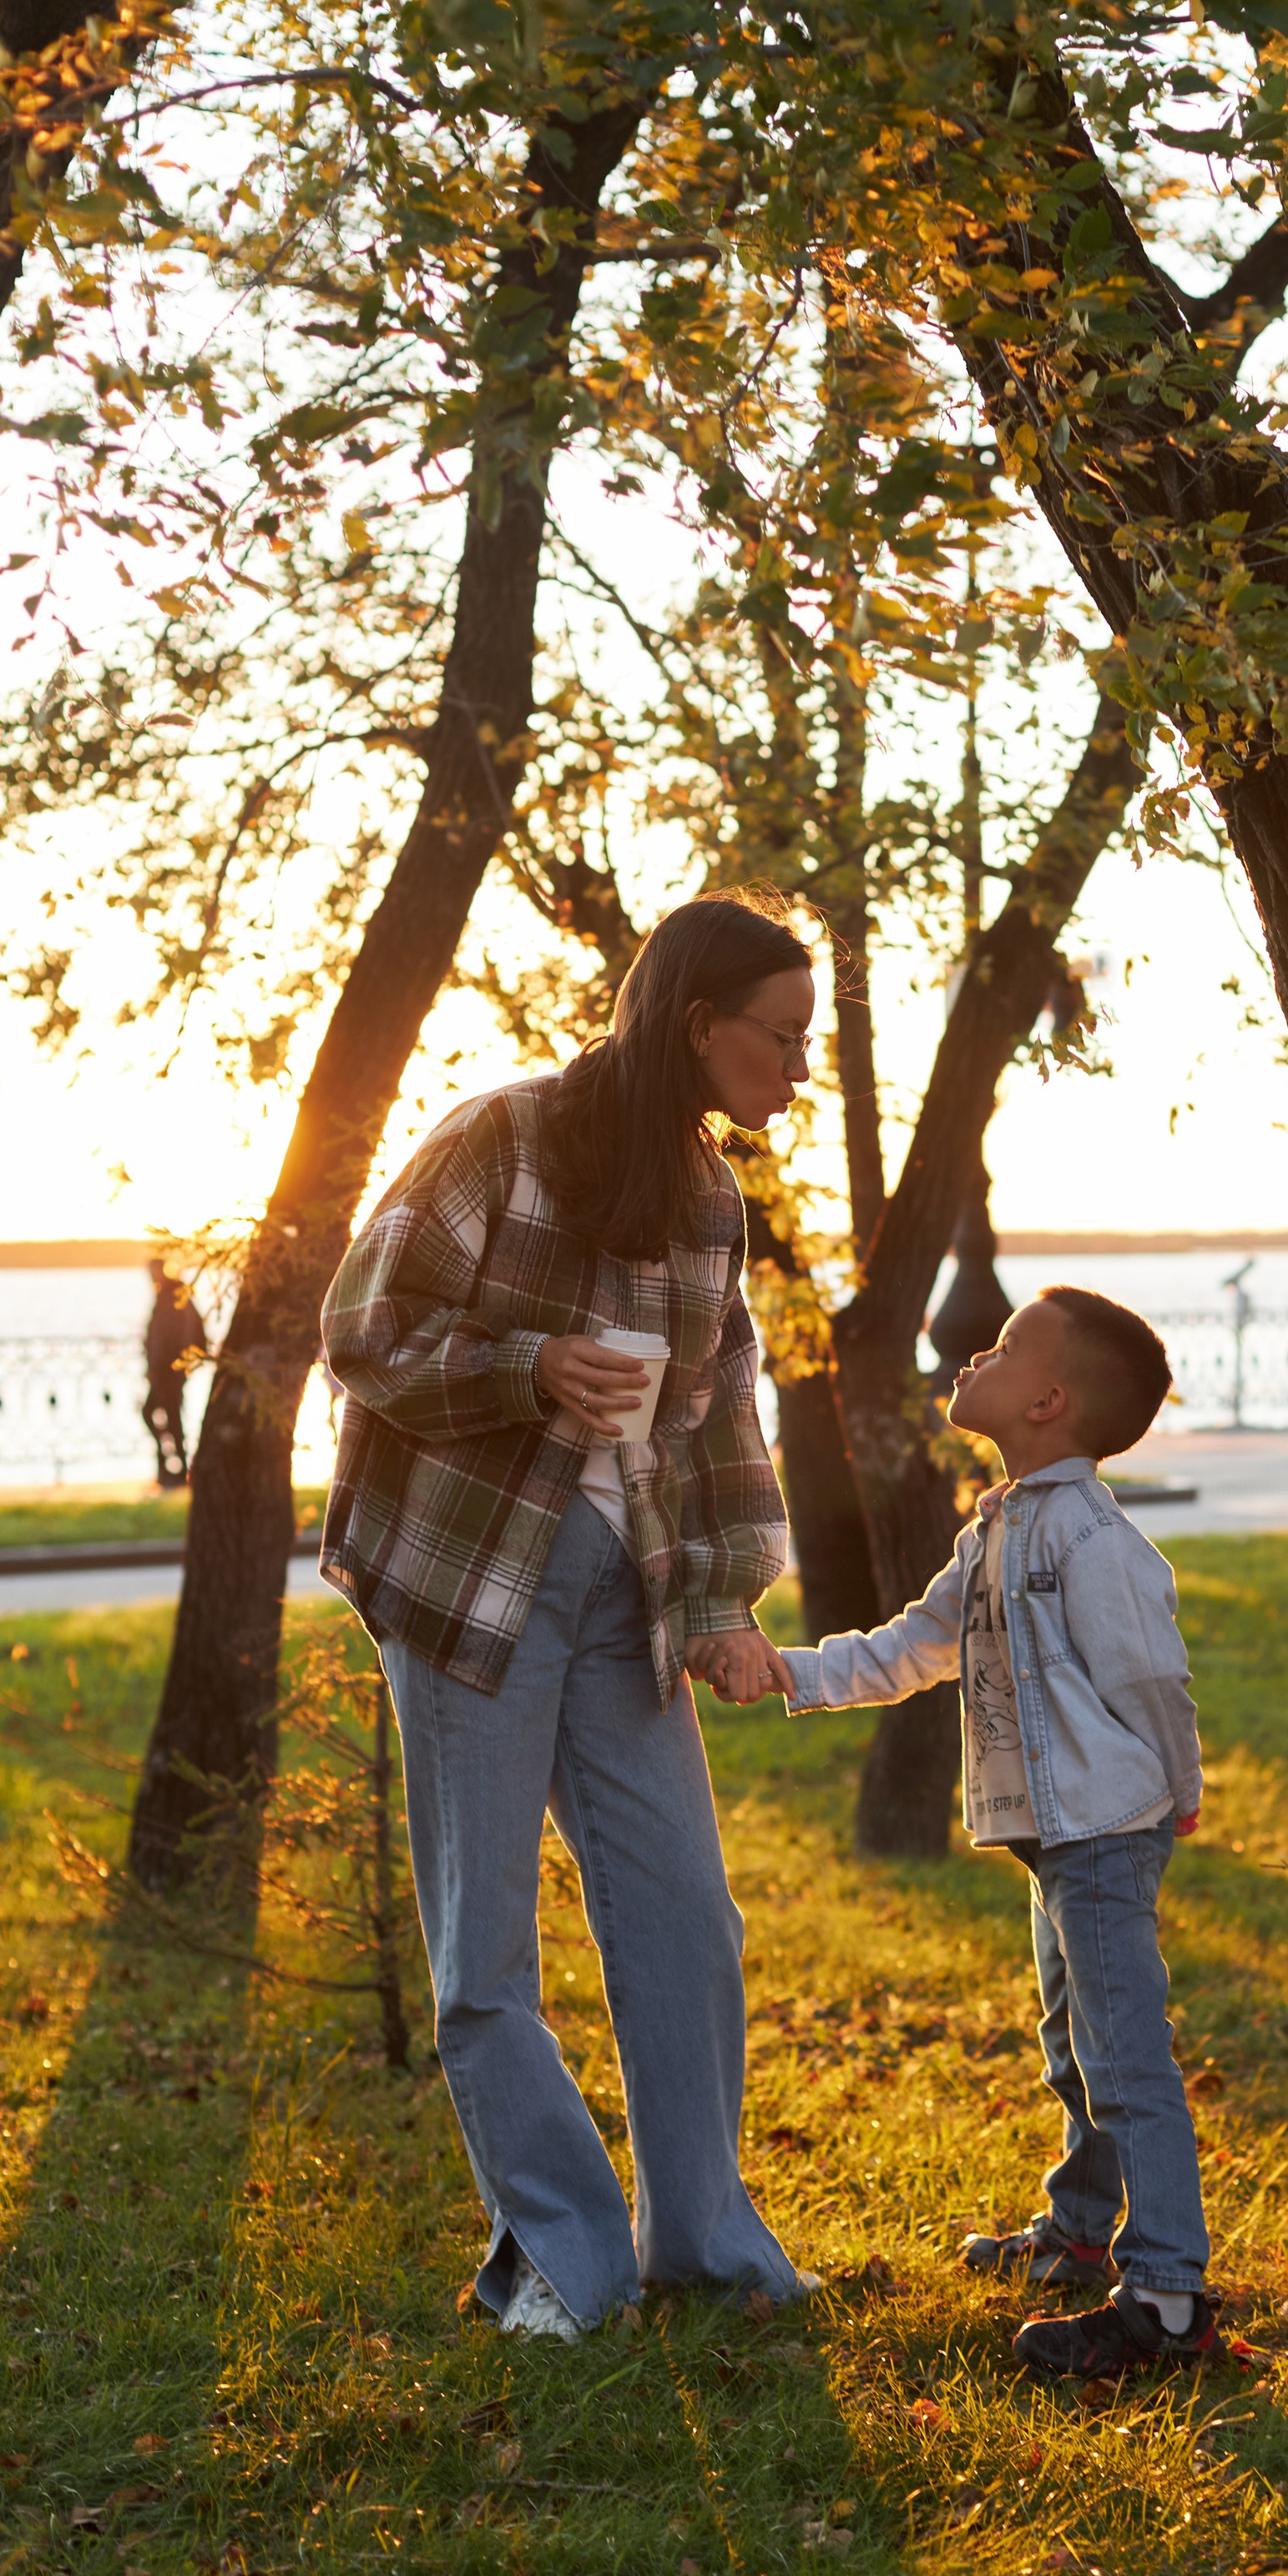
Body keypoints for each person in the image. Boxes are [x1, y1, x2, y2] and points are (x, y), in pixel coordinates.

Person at [319, 893, 812, 2341]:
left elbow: (723, 1416)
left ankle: (703, 2245)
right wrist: (530, 1366)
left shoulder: (714, 1199)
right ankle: (563, 2260)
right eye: (778, 1039)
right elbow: (363, 1329)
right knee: (484, 1951)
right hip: (470, 1588)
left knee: (685, 1916)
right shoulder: (503, 1137)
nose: (795, 1068)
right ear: (695, 1024)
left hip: (630, 1600)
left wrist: (723, 1597)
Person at [768, 1287, 1215, 2378]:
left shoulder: (1094, 1540)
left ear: (1049, 1400)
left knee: (1123, 2060)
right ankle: (1075, 2235)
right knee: (1075, 2051)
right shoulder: (998, 1527)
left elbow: (1154, 1678)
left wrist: (1181, 1787)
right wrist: (784, 1672)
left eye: (1008, 1346)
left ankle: (1166, 2296)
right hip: (1058, 1837)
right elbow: (913, 1646)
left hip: (1107, 1828)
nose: (978, 1350)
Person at [143, 1260, 208, 1490]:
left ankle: (178, 1467)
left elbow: (189, 1332)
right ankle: (170, 1463)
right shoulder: (162, 1296)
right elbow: (154, 1336)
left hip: (171, 1369)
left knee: (170, 1416)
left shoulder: (176, 1294)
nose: (151, 1276)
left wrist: (185, 1363)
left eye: (153, 1271)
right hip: (159, 1369)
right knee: (155, 1413)